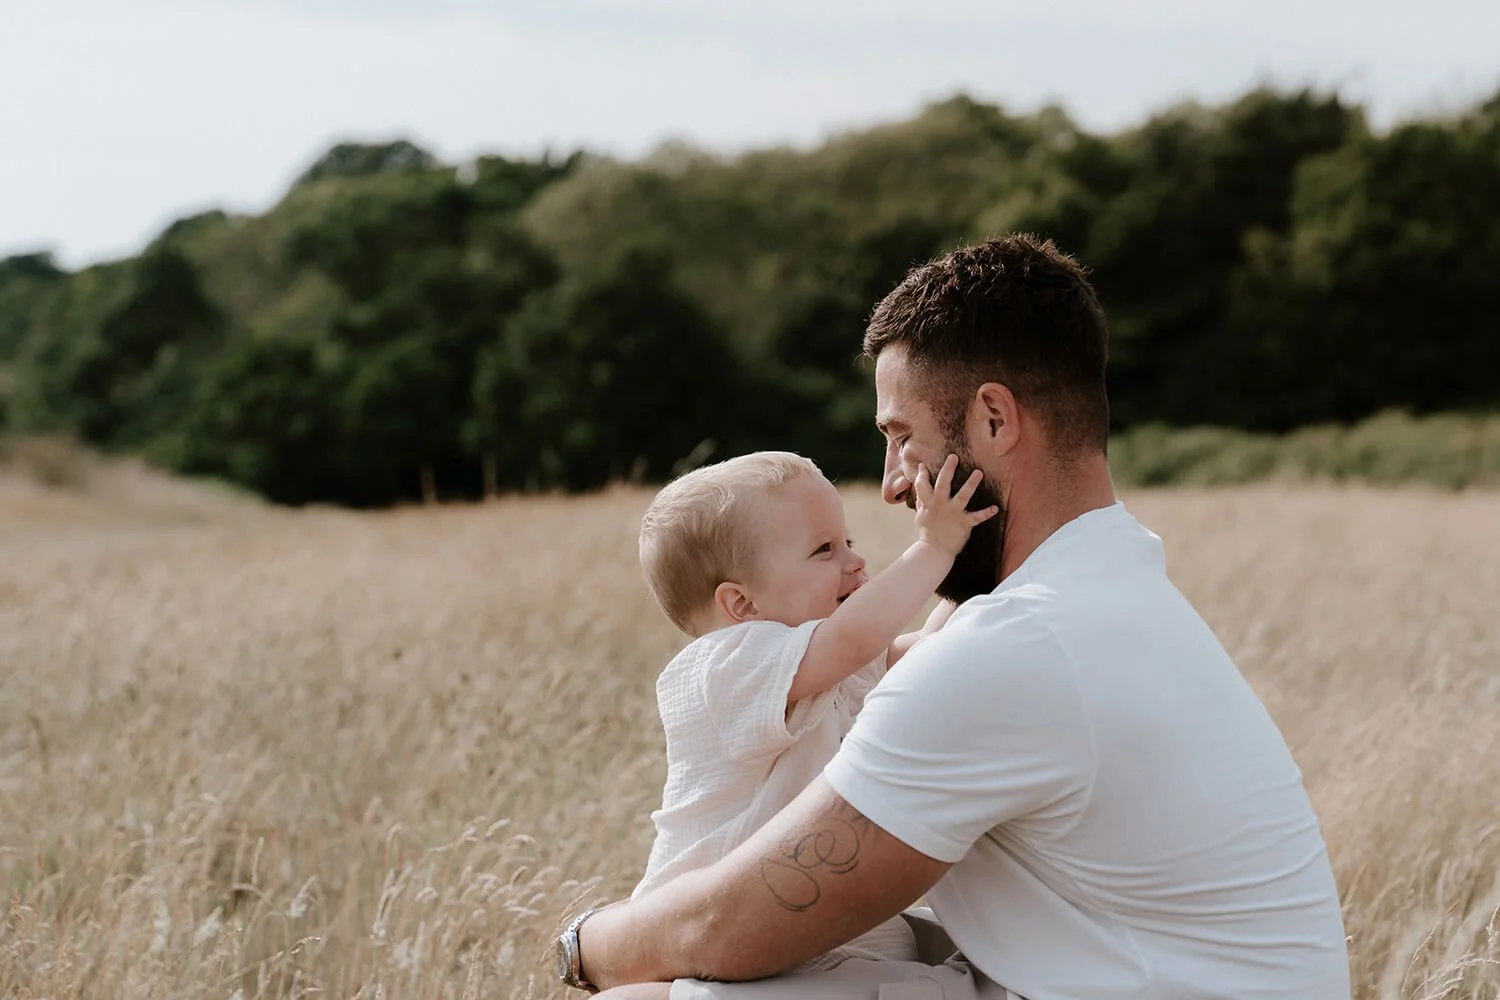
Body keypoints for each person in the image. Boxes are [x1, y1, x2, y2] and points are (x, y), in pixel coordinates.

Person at [559, 234, 1351, 1000]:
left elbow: (726, 928)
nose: (893, 485)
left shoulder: (1018, 648)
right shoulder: (1104, 587)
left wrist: (583, 944)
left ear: (995, 420)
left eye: (902, 438)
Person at [616, 448, 997, 996]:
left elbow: (925, 652)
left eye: (850, 543)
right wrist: (936, 545)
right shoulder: (723, 668)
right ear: (741, 605)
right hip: (711, 941)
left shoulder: (824, 665)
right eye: (824, 550)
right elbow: (853, 640)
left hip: (823, 938)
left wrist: (975, 578)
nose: (855, 563)